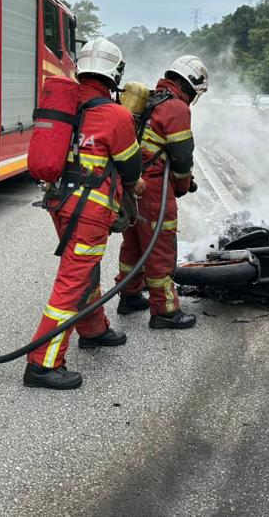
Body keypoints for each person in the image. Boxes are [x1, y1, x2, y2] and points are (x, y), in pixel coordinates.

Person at [24, 38, 143, 390]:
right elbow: (131, 168)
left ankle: (93, 330)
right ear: (115, 74)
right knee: (71, 283)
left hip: (60, 204)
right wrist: (135, 185)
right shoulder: (116, 115)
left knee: (84, 270)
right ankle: (42, 363)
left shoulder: (67, 103)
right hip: (89, 212)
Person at [115, 55, 208, 329]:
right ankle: (165, 311)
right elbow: (181, 157)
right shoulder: (177, 107)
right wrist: (182, 185)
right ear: (190, 86)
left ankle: (129, 296)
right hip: (154, 186)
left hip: (133, 182)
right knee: (160, 246)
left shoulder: (151, 98)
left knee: (132, 243)